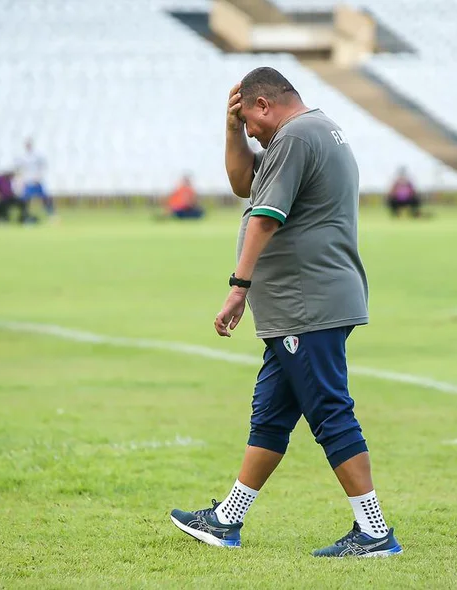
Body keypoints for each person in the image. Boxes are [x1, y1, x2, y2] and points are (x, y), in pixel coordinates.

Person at [169, 68, 402, 558]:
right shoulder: (314, 129)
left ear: (265, 104)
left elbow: (265, 215)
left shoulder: (294, 138)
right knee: (271, 416)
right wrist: (231, 129)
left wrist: (239, 286)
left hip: (307, 301)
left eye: (250, 122)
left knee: (331, 412)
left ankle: (375, 531)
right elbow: (242, 184)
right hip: (306, 303)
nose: (250, 133)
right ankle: (226, 521)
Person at [16, 139, 55, 217]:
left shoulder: (37, 155)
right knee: (26, 199)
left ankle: (51, 215)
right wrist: (21, 180)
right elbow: (19, 169)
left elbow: (43, 167)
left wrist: (39, 176)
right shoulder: (23, 157)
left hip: (37, 181)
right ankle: (25, 215)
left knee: (45, 198)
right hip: (28, 181)